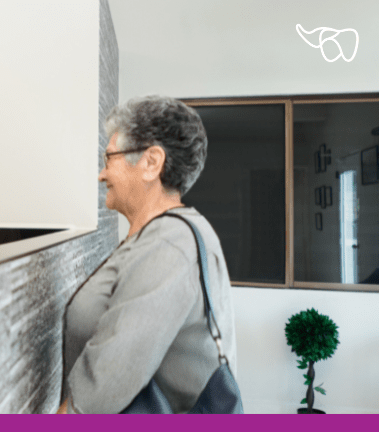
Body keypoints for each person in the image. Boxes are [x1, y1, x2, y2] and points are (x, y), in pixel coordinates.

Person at [59, 95, 237, 414]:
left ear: (151, 163)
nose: (101, 174)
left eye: (109, 158)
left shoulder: (171, 244)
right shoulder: (162, 235)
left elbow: (105, 384)